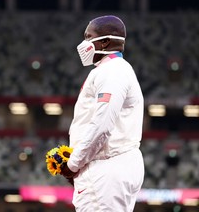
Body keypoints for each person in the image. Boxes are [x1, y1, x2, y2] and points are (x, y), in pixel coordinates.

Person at [60, 15, 145, 212]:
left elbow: (102, 123)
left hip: (106, 166)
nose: (83, 44)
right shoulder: (112, 69)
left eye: (88, 37)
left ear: (105, 41)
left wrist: (73, 164)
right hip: (109, 165)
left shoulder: (113, 71)